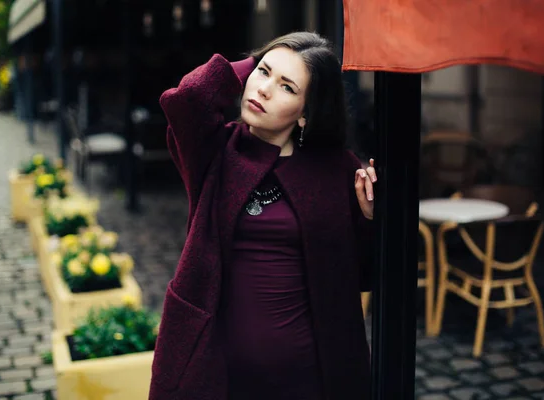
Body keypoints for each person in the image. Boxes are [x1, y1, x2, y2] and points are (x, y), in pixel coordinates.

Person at [149, 31, 377, 400]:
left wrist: (368, 219)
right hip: (215, 372)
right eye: (263, 72)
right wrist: (251, 65)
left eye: (287, 87)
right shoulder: (214, 149)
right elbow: (187, 98)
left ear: (306, 113)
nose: (265, 89)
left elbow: (365, 276)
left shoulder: (336, 169)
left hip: (310, 377)